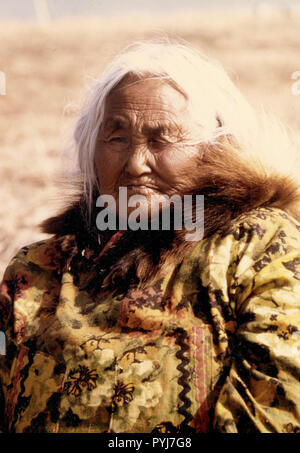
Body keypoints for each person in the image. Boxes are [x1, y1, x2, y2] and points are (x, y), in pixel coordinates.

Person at [1, 39, 300, 434]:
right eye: (117, 137)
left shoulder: (258, 245)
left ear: (215, 151)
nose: (136, 163)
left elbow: (277, 402)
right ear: (91, 149)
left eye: (162, 139)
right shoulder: (36, 270)